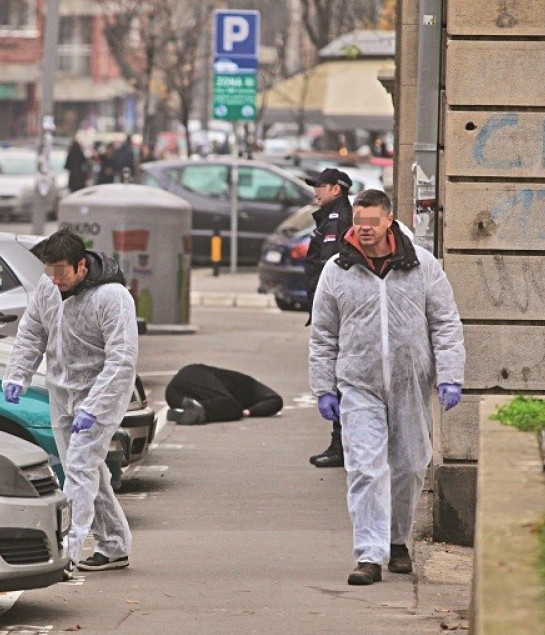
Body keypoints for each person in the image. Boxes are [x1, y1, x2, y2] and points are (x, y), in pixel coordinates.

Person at [308, 188, 464, 586]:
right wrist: (324, 386)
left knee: (410, 465)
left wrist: (449, 375)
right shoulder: (337, 270)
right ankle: (369, 554)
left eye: (372, 224)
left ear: (389, 221)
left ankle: (397, 542)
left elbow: (445, 324)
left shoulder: (421, 266)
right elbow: (323, 334)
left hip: (411, 382)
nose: (363, 231)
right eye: (358, 223)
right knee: (365, 467)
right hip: (359, 383)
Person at [2, 229, 138, 572]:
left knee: (79, 467)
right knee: (85, 468)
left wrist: (95, 406)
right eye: (50, 270)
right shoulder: (49, 286)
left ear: (81, 265)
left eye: (61, 271)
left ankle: (69, 549)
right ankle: (114, 544)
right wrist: (18, 373)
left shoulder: (112, 297)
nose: (55, 279)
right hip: (61, 391)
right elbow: (32, 330)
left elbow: (122, 359)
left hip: (101, 393)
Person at [303, 167, 354, 469]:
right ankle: (342, 444)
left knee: (338, 380)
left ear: (337, 189)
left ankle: (341, 446)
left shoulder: (339, 219)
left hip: (335, 315)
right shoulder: (330, 217)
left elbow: (332, 271)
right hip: (329, 313)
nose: (315, 191)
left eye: (320, 186)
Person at [165, 364, 283, 425]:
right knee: (233, 407)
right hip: (191, 378)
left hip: (174, 393)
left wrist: (249, 411)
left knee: (229, 406)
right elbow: (276, 400)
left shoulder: (247, 385)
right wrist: (247, 412)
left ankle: (189, 410)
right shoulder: (251, 386)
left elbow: (275, 401)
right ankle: (200, 412)